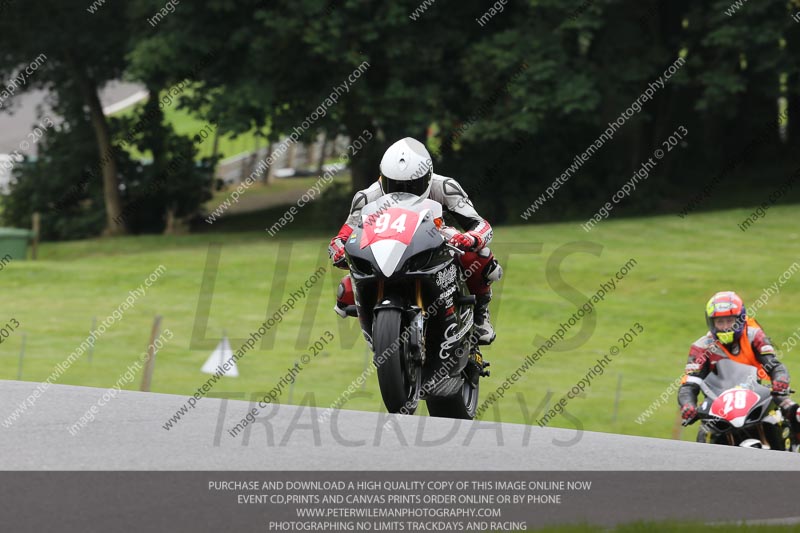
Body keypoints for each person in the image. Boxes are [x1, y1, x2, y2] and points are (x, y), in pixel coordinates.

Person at [328, 137, 502, 344]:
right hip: (386, 249)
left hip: (433, 246)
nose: (402, 192)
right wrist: (338, 249)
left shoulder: (445, 187)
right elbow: (343, 236)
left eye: (411, 185)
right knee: (347, 287)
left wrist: (470, 238)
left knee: (481, 257)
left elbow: (480, 224)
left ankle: (480, 316)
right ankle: (372, 317)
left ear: (428, 177)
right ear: (383, 178)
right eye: (395, 185)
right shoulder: (367, 196)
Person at [678, 291, 800, 440]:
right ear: (711, 323)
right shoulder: (701, 347)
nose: (725, 327)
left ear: (741, 319)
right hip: (719, 406)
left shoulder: (754, 335)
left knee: (795, 412)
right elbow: (689, 385)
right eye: (720, 322)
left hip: (756, 395)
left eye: (730, 321)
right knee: (704, 432)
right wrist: (688, 405)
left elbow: (774, 365)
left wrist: (780, 380)